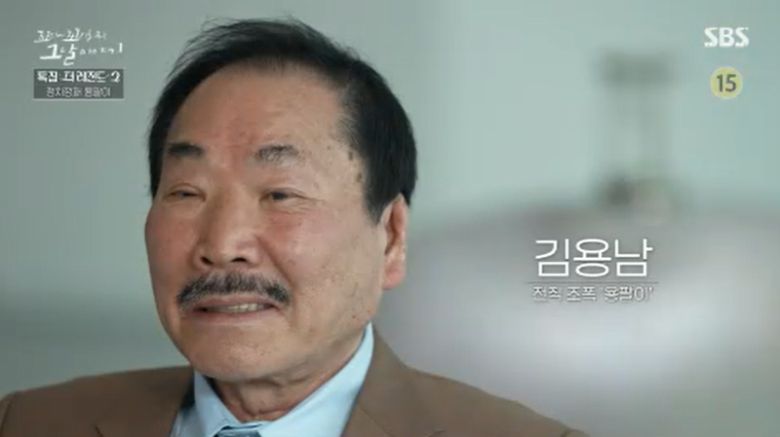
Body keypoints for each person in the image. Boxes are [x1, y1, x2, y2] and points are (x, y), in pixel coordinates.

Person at [0, 19, 586, 437]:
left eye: (280, 194)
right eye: (186, 192)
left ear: (391, 238)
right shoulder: (28, 422)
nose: (222, 246)